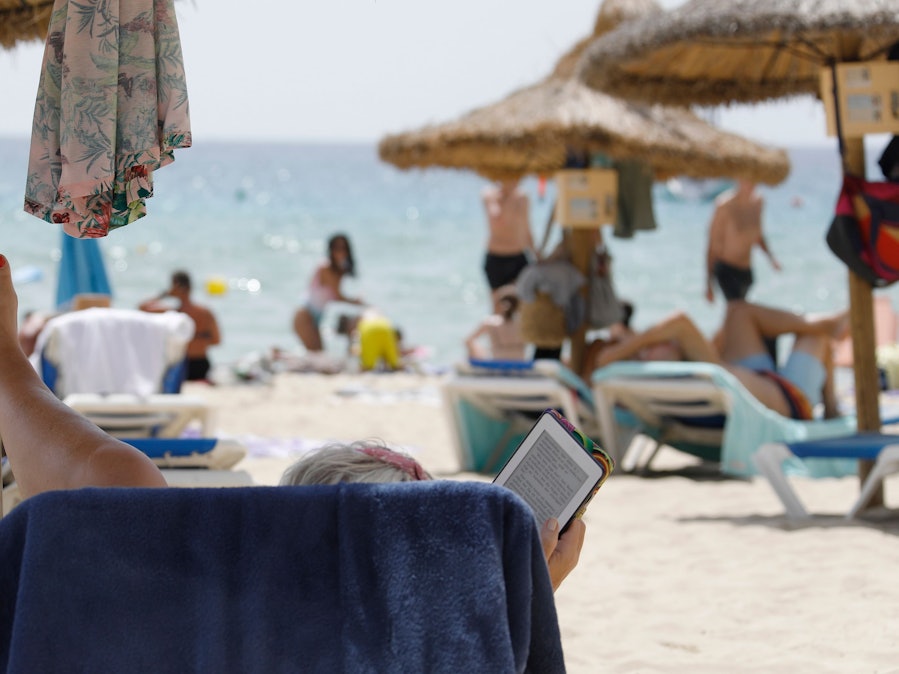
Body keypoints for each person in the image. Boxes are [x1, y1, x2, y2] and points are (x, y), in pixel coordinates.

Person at [0, 255, 583, 591]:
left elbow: (105, 477)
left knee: (122, 487)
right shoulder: (427, 647)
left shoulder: (228, 626)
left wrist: (12, 365)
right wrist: (527, 593)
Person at [594, 300, 848, 420]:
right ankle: (831, 406)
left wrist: (632, 344)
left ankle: (827, 324)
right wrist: (622, 350)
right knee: (816, 335)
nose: (662, 342)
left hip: (752, 378)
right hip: (790, 398)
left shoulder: (700, 368)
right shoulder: (701, 369)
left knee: (738, 312)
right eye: (650, 348)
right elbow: (680, 321)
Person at [704, 180, 781, 304]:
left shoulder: (758, 202)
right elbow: (713, 244)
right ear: (738, 178)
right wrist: (709, 283)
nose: (750, 183)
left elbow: (758, 236)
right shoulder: (724, 205)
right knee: (737, 308)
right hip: (727, 269)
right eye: (746, 179)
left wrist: (771, 258)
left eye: (754, 178)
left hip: (746, 271)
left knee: (738, 310)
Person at [139, 270, 221, 382]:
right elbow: (216, 341)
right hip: (202, 365)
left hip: (180, 366)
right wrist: (198, 338)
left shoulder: (173, 312)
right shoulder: (206, 312)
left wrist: (164, 294)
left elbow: (143, 307)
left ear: (176, 287)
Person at [293, 233, 363, 353]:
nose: (340, 252)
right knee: (317, 354)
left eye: (344, 248)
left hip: (316, 317)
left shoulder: (339, 270)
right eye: (337, 248)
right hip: (305, 316)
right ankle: (277, 354)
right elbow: (338, 296)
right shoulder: (325, 267)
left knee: (318, 353)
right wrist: (357, 302)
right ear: (331, 250)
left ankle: (279, 354)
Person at [482, 179, 537, 310]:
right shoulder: (489, 194)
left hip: (518, 256)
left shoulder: (523, 197)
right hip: (496, 258)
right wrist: (509, 195)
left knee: (522, 305)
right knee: (498, 307)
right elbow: (497, 218)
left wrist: (537, 255)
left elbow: (526, 228)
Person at [464, 285, 527, 361]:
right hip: (521, 363)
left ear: (498, 303)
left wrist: (482, 354)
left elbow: (468, 341)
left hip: (498, 363)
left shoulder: (491, 322)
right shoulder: (523, 323)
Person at [336, 308, 407, 372]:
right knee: (394, 363)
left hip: (368, 328)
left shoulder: (354, 321)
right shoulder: (367, 311)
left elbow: (354, 341)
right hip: (385, 325)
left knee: (367, 366)